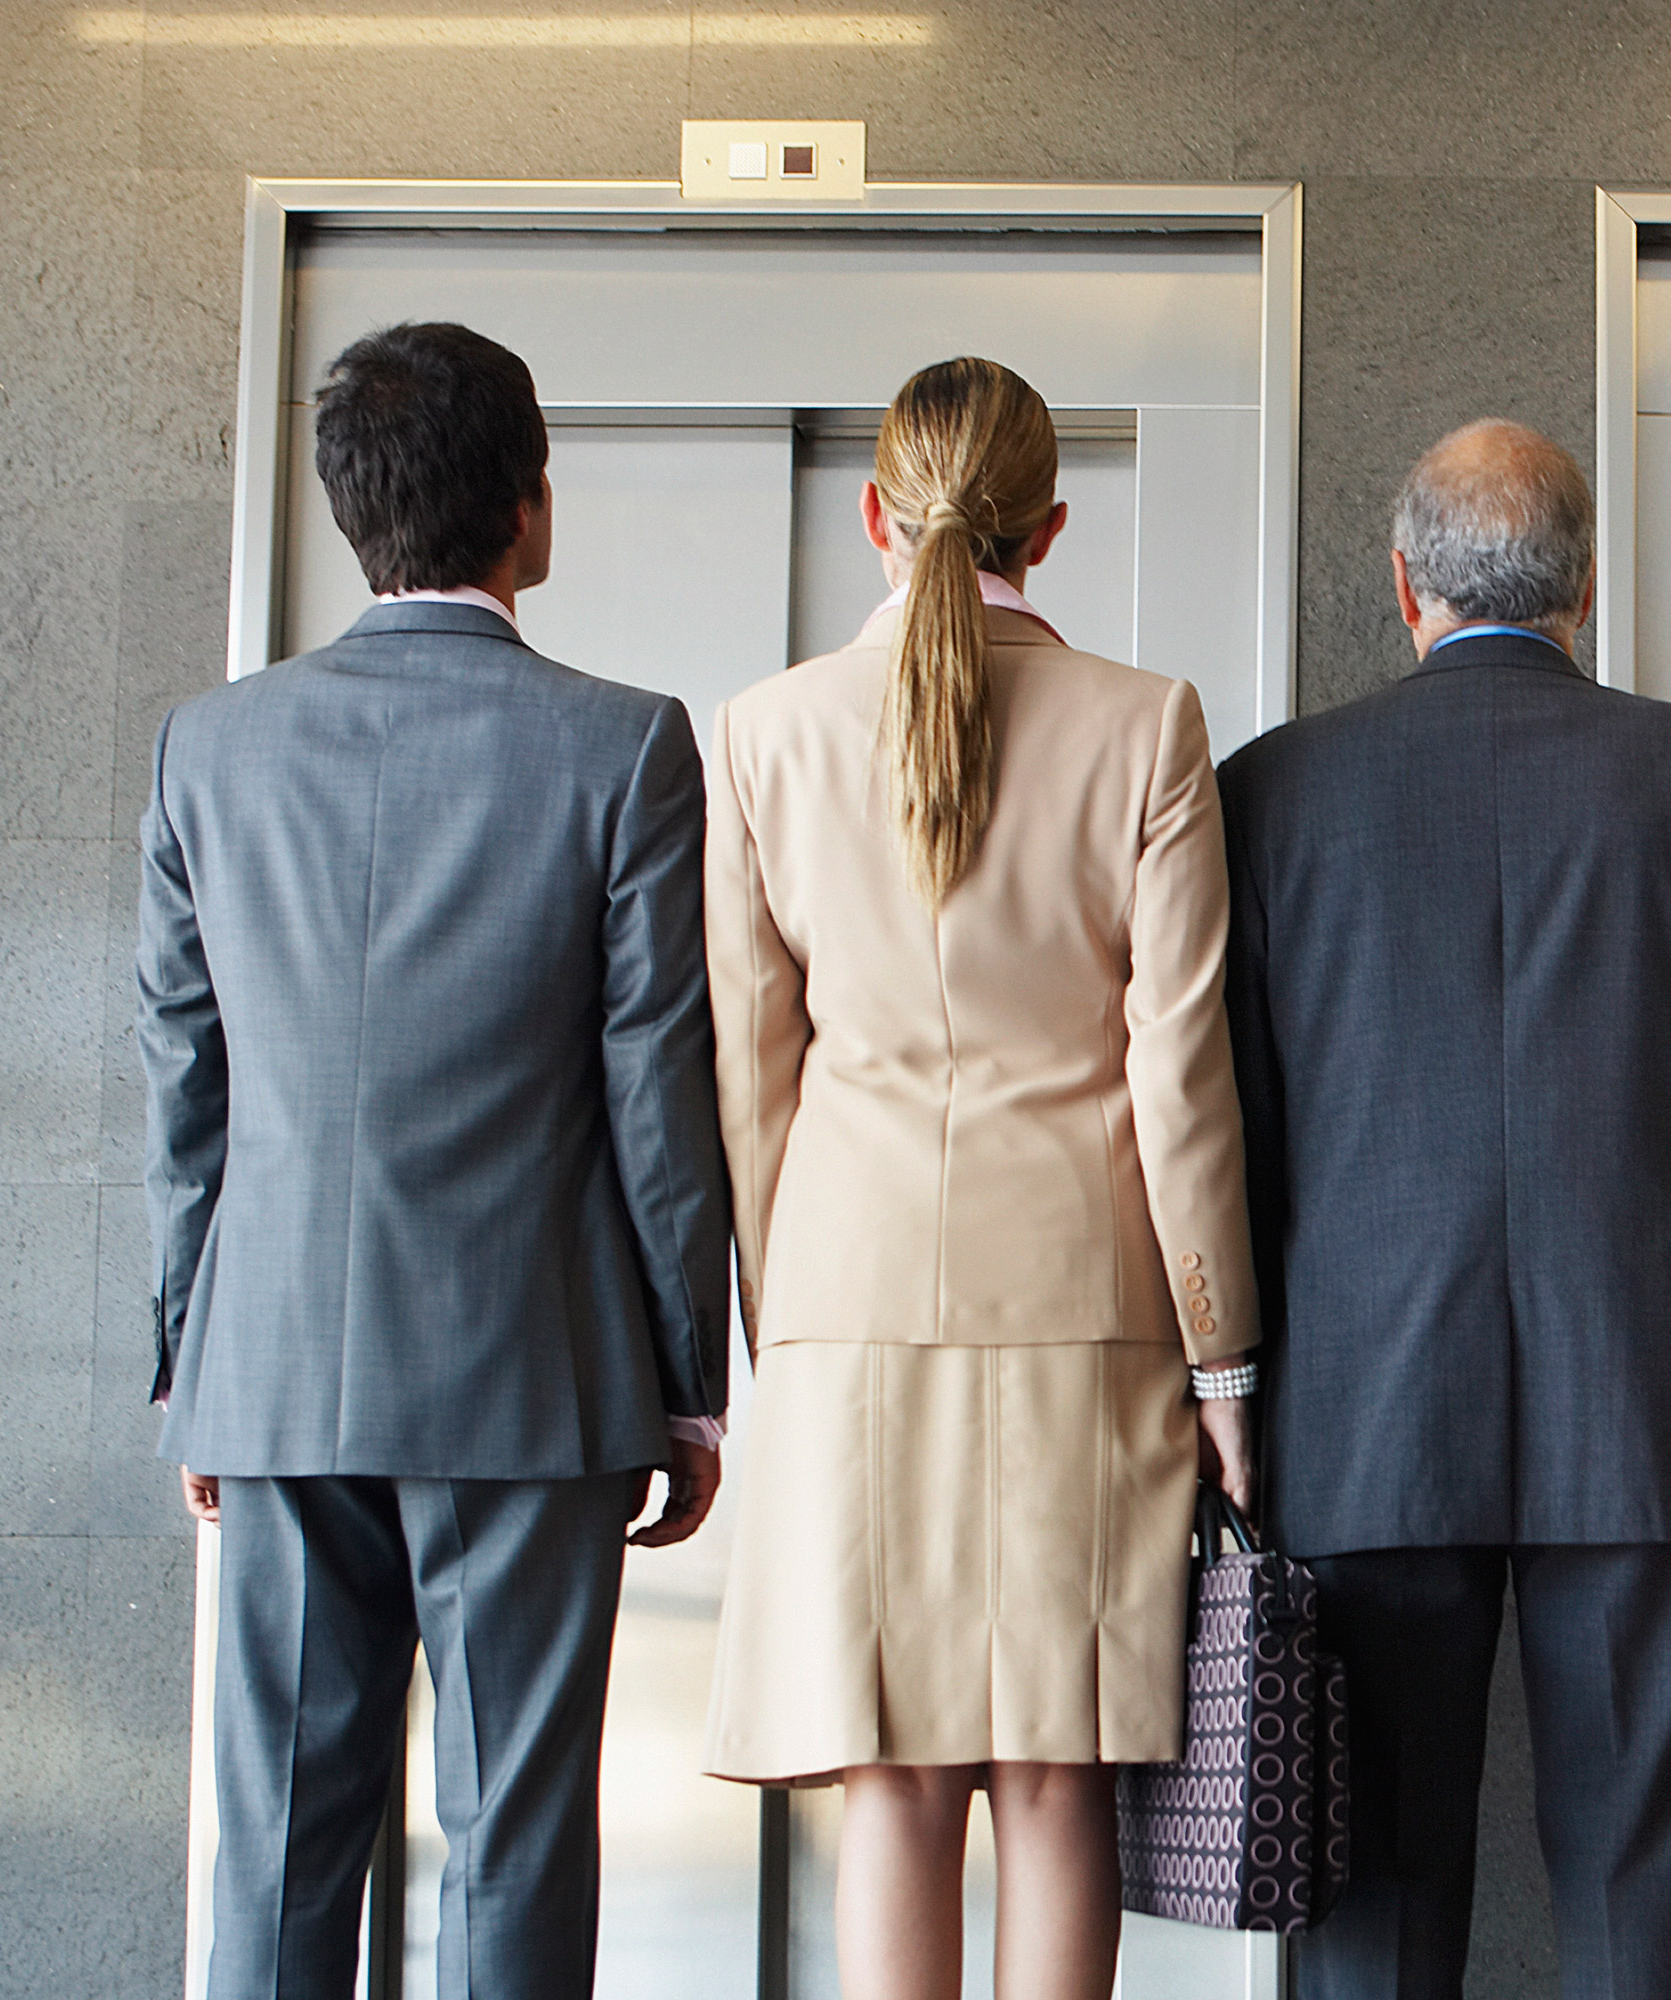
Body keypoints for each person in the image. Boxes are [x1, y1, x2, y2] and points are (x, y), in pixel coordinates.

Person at [140, 320, 733, 2000]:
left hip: (273, 1381)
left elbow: (186, 1082)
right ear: (528, 509)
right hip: (529, 1388)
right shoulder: (622, 746)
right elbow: (654, 1089)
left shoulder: (210, 750)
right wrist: (689, 1384)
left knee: (274, 1856)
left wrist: (191, 1358)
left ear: (351, 512)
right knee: (516, 1848)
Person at [1219, 420, 1671, 2000]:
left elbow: (1240, 1138)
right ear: (1589, 584)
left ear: (1406, 585)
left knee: (1370, 1906)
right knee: (1645, 1896)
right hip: (1649, 1419)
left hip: (1361, 1420)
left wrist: (1247, 1400)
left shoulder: (1275, 793)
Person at [695, 356, 1259, 2000]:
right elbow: (1180, 1073)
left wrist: (777, 1322)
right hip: (1090, 1310)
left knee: (896, 1773)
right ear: (1052, 529)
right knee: (1058, 1763)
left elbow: (752, 1078)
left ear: (876, 514)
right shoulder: (1146, 724)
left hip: (846, 1311)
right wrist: (1224, 1359)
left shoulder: (763, 735)